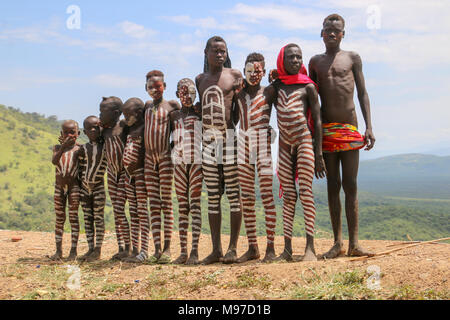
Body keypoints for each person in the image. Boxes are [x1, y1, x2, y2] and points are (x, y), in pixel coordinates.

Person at [308, 14, 376, 258]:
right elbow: (311, 99)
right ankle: (337, 242)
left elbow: (363, 93)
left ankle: (354, 243)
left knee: (351, 184)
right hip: (326, 130)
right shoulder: (315, 62)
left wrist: (369, 126)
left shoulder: (352, 58)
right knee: (332, 185)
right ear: (322, 33)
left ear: (343, 34)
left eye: (337, 30)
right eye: (328, 30)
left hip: (349, 128)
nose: (332, 33)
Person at [272, 43, 326, 262]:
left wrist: (319, 153)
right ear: (282, 61)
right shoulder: (276, 86)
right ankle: (286, 249)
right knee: (288, 195)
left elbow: (318, 120)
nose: (295, 61)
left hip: (304, 140)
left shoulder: (308, 87)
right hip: (284, 144)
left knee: (305, 191)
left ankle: (310, 248)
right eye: (291, 58)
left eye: (298, 57)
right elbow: (258, 99)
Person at [195, 36, 243, 264]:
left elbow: (240, 107)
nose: (220, 54)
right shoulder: (199, 80)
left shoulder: (234, 75)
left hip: (231, 138)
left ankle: (233, 248)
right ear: (206, 52)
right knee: (213, 196)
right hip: (207, 142)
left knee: (234, 194)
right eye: (215, 51)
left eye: (223, 51)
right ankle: (216, 249)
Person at [235, 52, 278, 263]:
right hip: (243, 147)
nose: (253, 74)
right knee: (247, 197)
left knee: (267, 195)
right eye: (249, 70)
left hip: (263, 147)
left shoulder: (269, 91)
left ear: (263, 71)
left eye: (257, 70)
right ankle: (253, 247)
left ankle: (270, 247)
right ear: (244, 70)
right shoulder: (238, 93)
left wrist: (277, 75)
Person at [144, 70, 180, 264]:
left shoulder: (172, 105)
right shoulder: (147, 107)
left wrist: (173, 151)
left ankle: (167, 247)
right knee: (154, 202)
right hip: (149, 159)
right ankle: (156, 248)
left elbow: (178, 130)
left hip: (165, 157)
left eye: (158, 86)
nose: (154, 89)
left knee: (166, 201)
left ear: (164, 87)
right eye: (150, 87)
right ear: (146, 89)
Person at [171, 78, 203, 265]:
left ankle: (195, 251)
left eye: (192, 92)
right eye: (184, 92)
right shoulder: (174, 116)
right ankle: (183, 251)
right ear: (177, 94)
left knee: (195, 205)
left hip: (196, 163)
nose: (188, 96)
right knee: (183, 206)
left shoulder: (199, 115)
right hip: (179, 163)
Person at [99, 97, 131, 261]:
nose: (100, 114)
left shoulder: (123, 126)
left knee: (120, 209)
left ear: (116, 113)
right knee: (117, 212)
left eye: (103, 111)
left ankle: (129, 246)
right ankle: (122, 247)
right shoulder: (104, 131)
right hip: (111, 172)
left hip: (125, 172)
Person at [121, 98, 150, 263]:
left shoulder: (144, 128)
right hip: (128, 175)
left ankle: (144, 251)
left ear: (139, 113)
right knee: (133, 212)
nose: (126, 118)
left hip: (140, 174)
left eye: (128, 115)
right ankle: (135, 249)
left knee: (142, 211)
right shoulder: (129, 129)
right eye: (124, 115)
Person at [49, 120, 82, 261]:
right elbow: (55, 161)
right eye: (65, 132)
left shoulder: (80, 149)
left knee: (73, 217)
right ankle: (58, 251)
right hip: (59, 187)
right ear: (61, 134)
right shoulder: (57, 148)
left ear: (78, 134)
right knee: (60, 218)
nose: (69, 135)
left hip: (74, 187)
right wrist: (62, 147)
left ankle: (73, 251)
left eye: (72, 132)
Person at [78, 116, 108, 262]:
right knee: (87, 218)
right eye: (90, 128)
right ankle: (90, 248)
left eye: (96, 127)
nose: (93, 130)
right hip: (84, 188)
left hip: (98, 186)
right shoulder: (83, 148)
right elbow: (80, 168)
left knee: (98, 217)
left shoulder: (105, 147)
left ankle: (98, 249)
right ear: (84, 132)